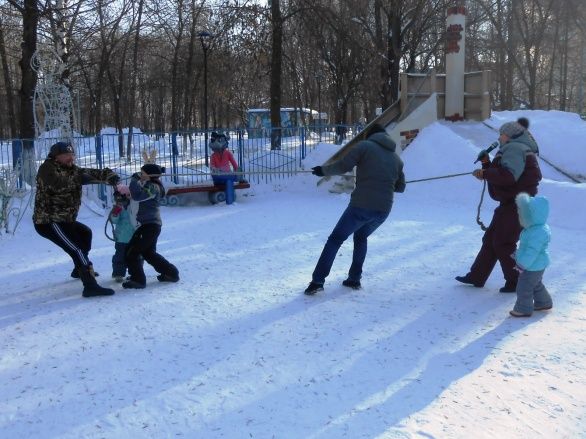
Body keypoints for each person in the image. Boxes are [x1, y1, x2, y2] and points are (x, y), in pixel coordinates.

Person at [304, 124, 406, 295]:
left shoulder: (365, 146)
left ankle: (317, 281)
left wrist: (323, 170)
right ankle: (354, 279)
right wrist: (385, 181)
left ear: (370, 135)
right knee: (361, 237)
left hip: (362, 206)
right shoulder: (397, 160)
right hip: (383, 211)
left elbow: (343, 165)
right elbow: (401, 187)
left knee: (335, 239)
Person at [456, 121, 542, 293]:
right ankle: (477, 276)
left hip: (516, 205)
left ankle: (518, 281)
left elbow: (509, 176)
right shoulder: (516, 148)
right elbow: (504, 173)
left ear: (510, 135)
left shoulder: (515, 148)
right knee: (491, 240)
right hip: (511, 204)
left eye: (501, 134)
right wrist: (486, 164)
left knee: (503, 243)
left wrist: (486, 173)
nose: (499, 137)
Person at [33, 141, 120, 297]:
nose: (70, 158)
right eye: (66, 155)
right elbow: (57, 185)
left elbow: (92, 173)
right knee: (76, 249)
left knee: (85, 234)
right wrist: (81, 179)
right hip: (49, 221)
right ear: (56, 156)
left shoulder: (73, 169)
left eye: (72, 155)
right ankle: (90, 286)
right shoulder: (47, 169)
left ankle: (78, 270)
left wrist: (110, 176)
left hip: (65, 220)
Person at [122, 163, 179, 289]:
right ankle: (170, 273)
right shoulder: (150, 185)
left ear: (150, 175)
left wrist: (134, 181)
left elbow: (137, 196)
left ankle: (138, 280)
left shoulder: (154, 187)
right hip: (148, 225)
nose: (140, 175)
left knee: (132, 251)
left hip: (149, 225)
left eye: (142, 173)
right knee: (148, 253)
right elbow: (136, 200)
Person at [509, 192, 553, 317]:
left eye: (523, 214)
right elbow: (526, 247)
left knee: (524, 287)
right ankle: (544, 302)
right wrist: (517, 254)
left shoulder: (537, 232)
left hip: (533, 265)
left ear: (532, 216)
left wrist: (522, 263)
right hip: (536, 264)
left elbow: (532, 251)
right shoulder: (534, 228)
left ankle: (523, 308)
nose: (520, 215)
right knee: (536, 284)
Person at [109, 185, 138, 282]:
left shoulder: (134, 205)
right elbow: (114, 220)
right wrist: (116, 211)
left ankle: (136, 273)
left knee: (136, 256)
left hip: (134, 237)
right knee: (119, 256)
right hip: (121, 237)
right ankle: (118, 273)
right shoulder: (118, 207)